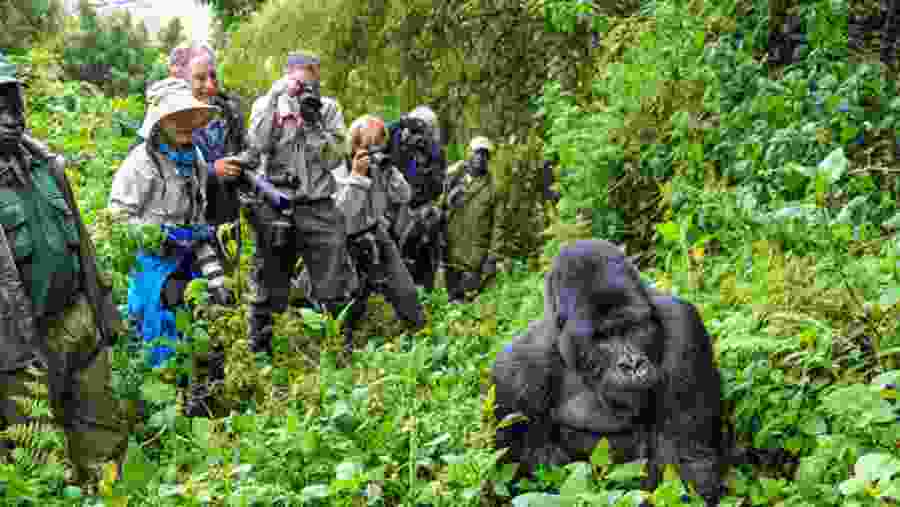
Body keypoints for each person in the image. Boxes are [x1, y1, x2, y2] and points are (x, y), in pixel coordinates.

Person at [0, 51, 132, 484]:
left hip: (76, 320)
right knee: (41, 466)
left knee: (104, 437)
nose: (9, 115)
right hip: (17, 345)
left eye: (13, 101)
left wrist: (103, 314)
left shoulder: (47, 168)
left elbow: (84, 250)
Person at [242, 51, 353, 356]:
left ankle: (336, 349)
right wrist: (276, 97)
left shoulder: (329, 109)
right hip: (277, 205)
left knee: (333, 283)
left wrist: (313, 125)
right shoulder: (267, 105)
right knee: (268, 283)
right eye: (300, 81)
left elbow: (335, 159)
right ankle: (259, 352)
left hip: (319, 205)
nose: (306, 87)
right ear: (287, 76)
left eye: (312, 79)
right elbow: (259, 145)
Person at [331, 115, 425, 353]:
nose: (375, 154)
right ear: (355, 146)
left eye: (378, 147)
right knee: (350, 302)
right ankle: (342, 350)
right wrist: (357, 177)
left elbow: (405, 197)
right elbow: (343, 214)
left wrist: (390, 172)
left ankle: (421, 336)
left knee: (404, 289)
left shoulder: (381, 168)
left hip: (377, 233)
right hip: (347, 241)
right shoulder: (337, 171)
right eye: (369, 147)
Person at [386, 106, 447, 291]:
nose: (417, 135)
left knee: (426, 246)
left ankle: (423, 288)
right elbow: (375, 136)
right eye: (415, 130)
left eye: (423, 131)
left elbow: (437, 187)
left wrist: (428, 154)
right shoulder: (396, 142)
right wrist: (402, 123)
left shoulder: (434, 151)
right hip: (393, 208)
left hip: (419, 208)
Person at [441, 136, 502, 304]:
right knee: (450, 303)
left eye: (485, 154)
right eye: (477, 153)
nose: (480, 158)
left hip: (474, 258)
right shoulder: (453, 177)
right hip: (451, 254)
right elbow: (439, 209)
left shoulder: (493, 188)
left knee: (469, 303)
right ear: (470, 154)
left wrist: (492, 257)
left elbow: (499, 226)